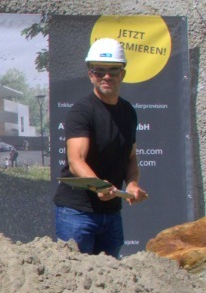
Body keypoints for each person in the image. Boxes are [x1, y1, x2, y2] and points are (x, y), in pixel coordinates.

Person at [54, 38, 149, 257]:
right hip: (77, 213)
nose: (106, 76)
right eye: (99, 71)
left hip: (112, 212)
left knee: (111, 281)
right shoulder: (82, 112)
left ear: (123, 74)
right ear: (90, 75)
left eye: (113, 71)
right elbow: (76, 160)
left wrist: (133, 184)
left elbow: (131, 158)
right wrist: (98, 185)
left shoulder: (128, 112)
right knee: (75, 279)